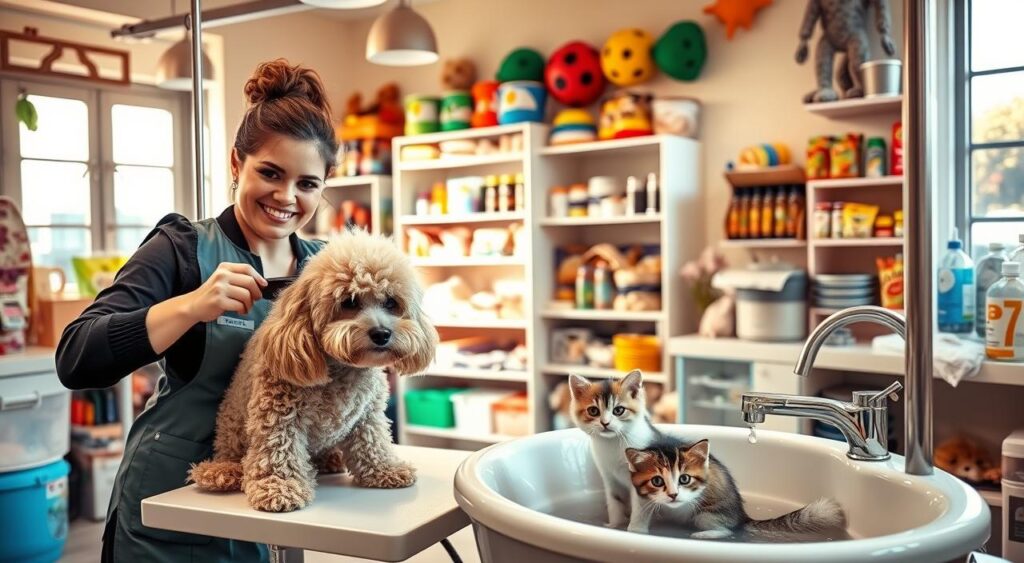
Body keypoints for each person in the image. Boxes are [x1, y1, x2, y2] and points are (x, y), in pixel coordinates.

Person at [56, 59, 338, 562]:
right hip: (172, 501)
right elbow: (77, 357)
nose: (286, 197)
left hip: (271, 502)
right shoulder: (182, 247)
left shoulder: (326, 269)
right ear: (236, 164)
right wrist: (189, 306)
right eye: (269, 173)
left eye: (307, 183)